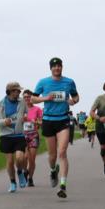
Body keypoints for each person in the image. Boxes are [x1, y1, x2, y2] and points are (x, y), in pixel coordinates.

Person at [32, 57, 79, 199]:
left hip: (63, 119)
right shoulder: (43, 82)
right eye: (54, 66)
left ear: (62, 67)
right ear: (50, 68)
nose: (57, 68)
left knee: (62, 152)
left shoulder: (69, 82)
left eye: (59, 66)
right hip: (48, 120)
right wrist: (46, 98)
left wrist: (72, 101)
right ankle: (53, 170)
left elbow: (76, 97)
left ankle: (63, 185)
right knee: (52, 156)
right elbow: (33, 99)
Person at [0, 82, 28, 192]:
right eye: (17, 91)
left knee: (20, 157)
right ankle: (12, 182)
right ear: (10, 91)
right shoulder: (1, 104)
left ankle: (20, 172)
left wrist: (26, 117)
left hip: (19, 134)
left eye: (20, 91)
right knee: (10, 161)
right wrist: (2, 122)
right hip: (6, 135)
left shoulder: (22, 102)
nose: (19, 92)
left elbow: (28, 113)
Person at [22, 90, 43, 187]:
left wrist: (34, 122)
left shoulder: (37, 109)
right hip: (22, 135)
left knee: (32, 159)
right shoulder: (20, 110)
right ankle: (25, 171)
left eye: (28, 97)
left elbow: (42, 123)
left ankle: (30, 178)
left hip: (33, 135)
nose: (27, 99)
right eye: (25, 97)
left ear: (32, 98)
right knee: (24, 157)